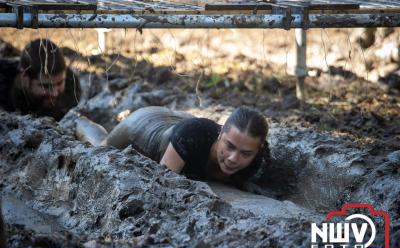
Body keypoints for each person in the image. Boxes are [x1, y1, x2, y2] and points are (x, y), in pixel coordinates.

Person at [75, 106, 270, 186]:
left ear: (257, 150)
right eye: (229, 146)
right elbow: (162, 186)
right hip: (142, 126)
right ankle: (79, 120)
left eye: (245, 153)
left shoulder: (258, 155)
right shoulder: (190, 140)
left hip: (184, 123)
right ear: (221, 134)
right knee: (100, 146)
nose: (233, 158)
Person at [0, 38, 81, 121]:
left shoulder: (71, 83)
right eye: (46, 86)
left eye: (60, 83)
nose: (55, 93)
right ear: (25, 79)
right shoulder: (3, 86)